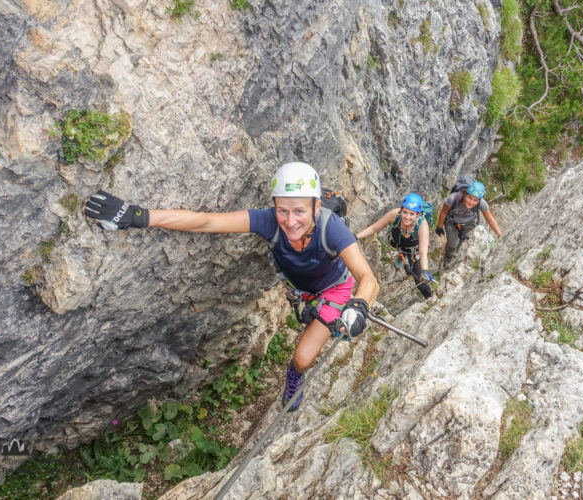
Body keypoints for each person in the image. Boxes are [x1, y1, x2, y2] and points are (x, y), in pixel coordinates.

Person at [82, 162, 379, 412]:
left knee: (302, 358)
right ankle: (299, 365)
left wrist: (358, 307)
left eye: (299, 211)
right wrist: (138, 216)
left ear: (316, 207)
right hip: (302, 290)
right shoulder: (268, 221)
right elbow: (207, 222)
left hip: (334, 291)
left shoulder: (332, 228)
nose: (290, 221)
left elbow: (368, 279)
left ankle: (294, 376)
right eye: (282, 210)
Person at [355, 193, 434, 299]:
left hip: (413, 249)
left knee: (418, 277)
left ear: (418, 215)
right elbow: (374, 228)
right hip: (397, 243)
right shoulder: (394, 214)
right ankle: (402, 256)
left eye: (412, 214)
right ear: (401, 209)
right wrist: (355, 237)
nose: (407, 217)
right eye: (405, 212)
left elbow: (423, 252)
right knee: (402, 251)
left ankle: (429, 297)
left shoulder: (422, 226)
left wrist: (425, 271)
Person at [435, 181, 501, 266]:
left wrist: (500, 235)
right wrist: (439, 227)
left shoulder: (482, 203)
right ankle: (449, 257)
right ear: (465, 194)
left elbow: (490, 219)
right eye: (469, 198)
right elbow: (443, 212)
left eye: (475, 200)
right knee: (452, 245)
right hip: (452, 223)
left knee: (461, 239)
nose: (471, 202)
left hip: (469, 223)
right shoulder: (453, 199)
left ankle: (457, 247)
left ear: (479, 200)